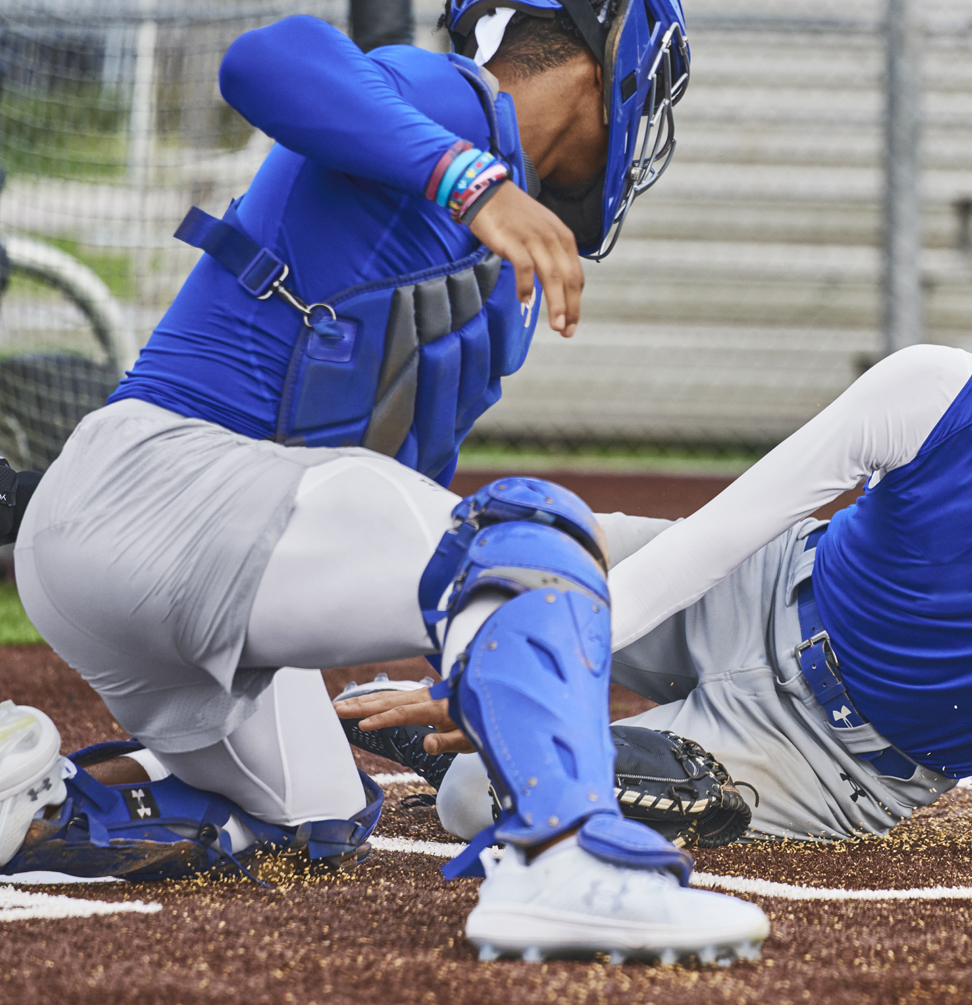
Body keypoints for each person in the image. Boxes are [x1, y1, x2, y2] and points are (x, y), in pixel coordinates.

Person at [0, 1, 770, 965]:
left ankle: (28, 800)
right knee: (530, 527)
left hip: (140, 547)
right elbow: (265, 60)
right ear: (603, 58)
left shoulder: (496, 276)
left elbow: (392, 511)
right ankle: (567, 864)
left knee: (309, 817)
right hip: (164, 487)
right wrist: (476, 184)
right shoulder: (455, 105)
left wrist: (487, 662)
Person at [378, 239, 972, 842]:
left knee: (477, 802)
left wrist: (528, 671)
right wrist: (539, 658)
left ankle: (493, 745)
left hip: (826, 758)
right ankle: (496, 709)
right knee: (498, 547)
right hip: (757, 586)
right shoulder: (933, 387)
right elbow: (723, 530)